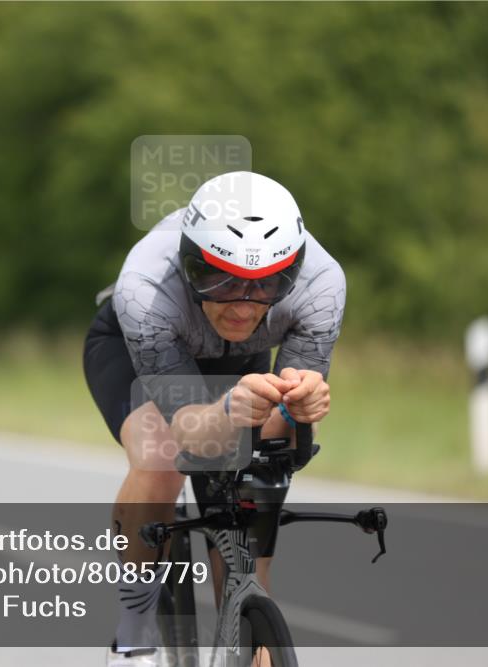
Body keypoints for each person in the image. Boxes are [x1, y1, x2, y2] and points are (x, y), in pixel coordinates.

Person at [84, 171, 345, 665]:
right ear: (189, 263)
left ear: (293, 270)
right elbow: (188, 431)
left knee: (248, 514)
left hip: (241, 363)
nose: (242, 305)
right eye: (218, 279)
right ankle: (134, 632)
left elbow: (284, 432)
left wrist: (300, 409)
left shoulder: (322, 285)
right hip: (138, 350)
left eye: (267, 282)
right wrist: (230, 411)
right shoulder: (145, 286)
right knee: (162, 458)